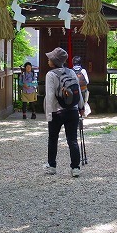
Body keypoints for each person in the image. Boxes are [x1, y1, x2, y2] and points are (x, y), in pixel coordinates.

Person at [43, 47, 82, 177]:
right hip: (73, 111)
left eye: (50, 58)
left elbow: (50, 97)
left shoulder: (51, 75)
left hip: (57, 112)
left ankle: (52, 166)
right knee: (73, 140)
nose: (48, 60)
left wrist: (49, 115)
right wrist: (81, 107)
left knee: (53, 139)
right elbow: (78, 91)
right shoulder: (71, 72)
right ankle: (75, 168)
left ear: (53, 61)